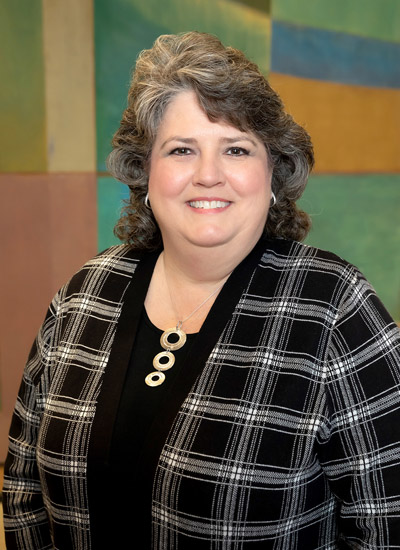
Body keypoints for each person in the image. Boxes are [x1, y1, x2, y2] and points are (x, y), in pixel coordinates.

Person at [3, 32, 400, 549]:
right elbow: (23, 493)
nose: (208, 175)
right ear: (145, 173)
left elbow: (388, 526)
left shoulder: (333, 307)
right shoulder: (85, 294)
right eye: (181, 150)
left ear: (273, 172)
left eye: (236, 149)